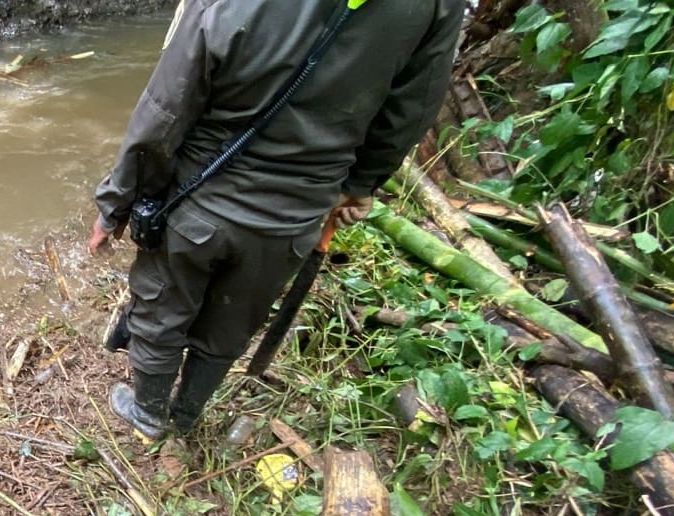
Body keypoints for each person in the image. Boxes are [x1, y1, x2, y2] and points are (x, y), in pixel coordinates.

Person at [88, 0, 464, 439]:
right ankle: (187, 416)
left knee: (162, 308)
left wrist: (118, 201)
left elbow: (166, 107)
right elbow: (412, 108)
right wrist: (360, 184)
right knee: (232, 321)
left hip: (197, 203)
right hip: (296, 215)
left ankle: (148, 412)